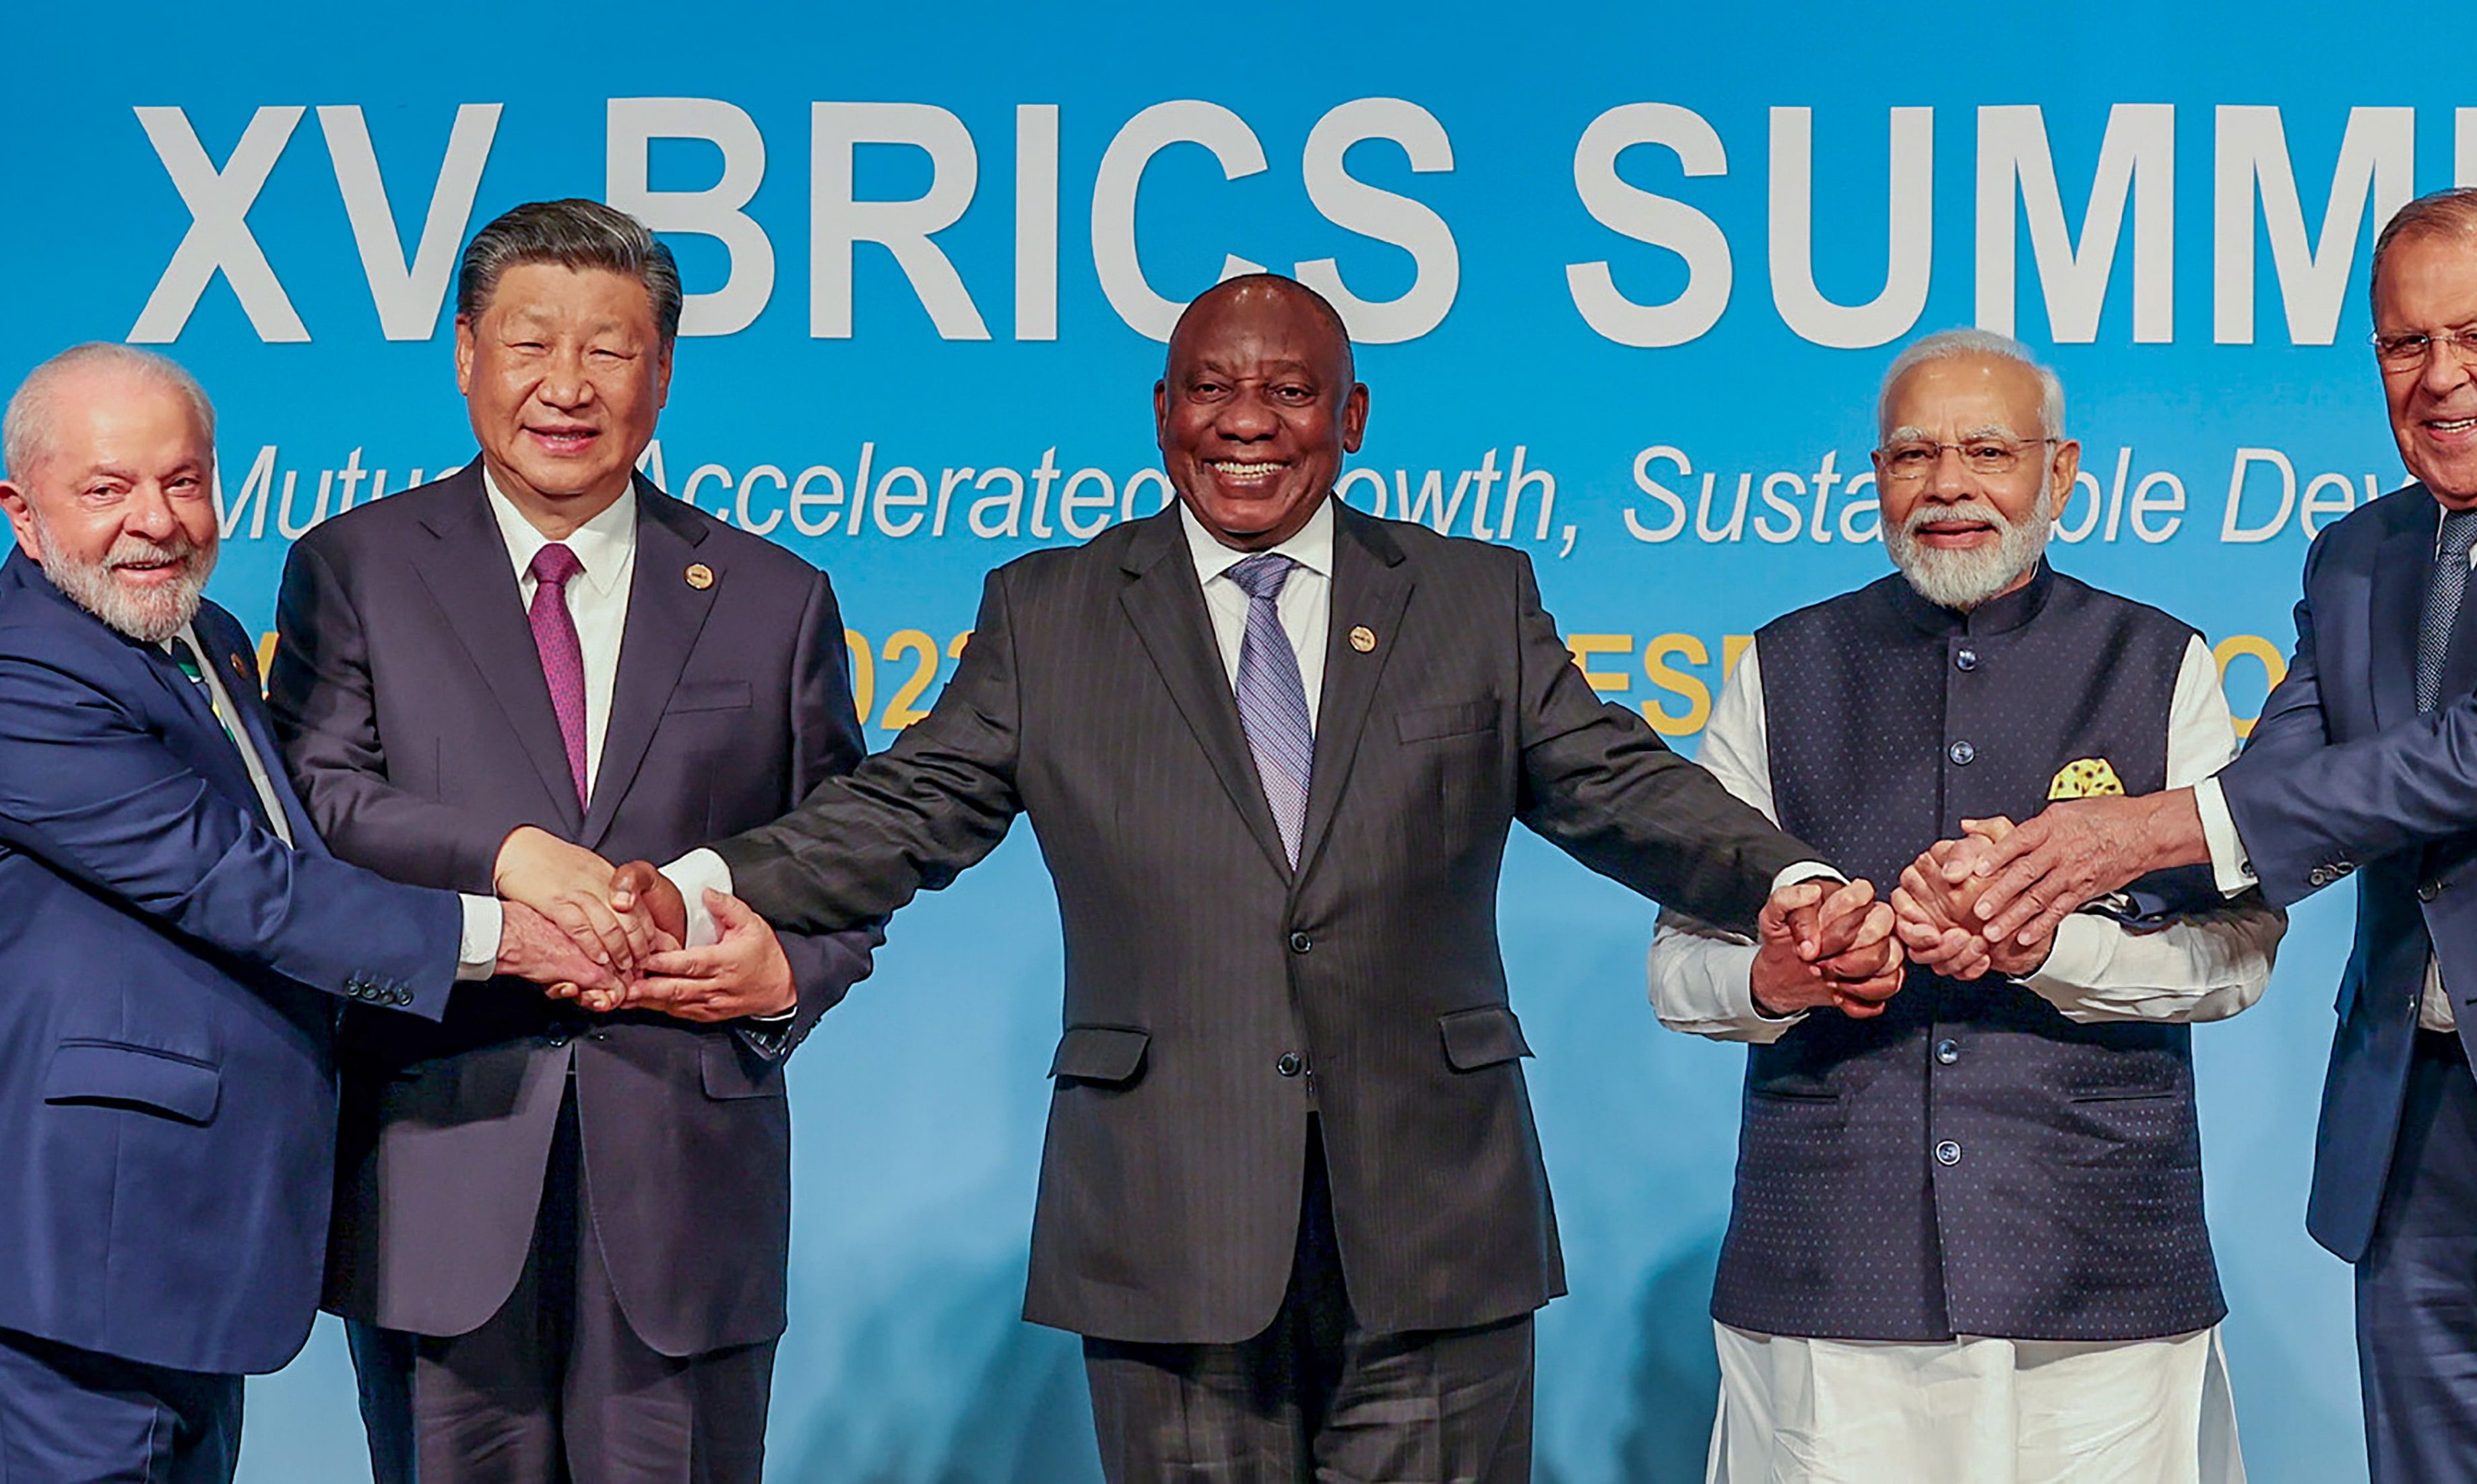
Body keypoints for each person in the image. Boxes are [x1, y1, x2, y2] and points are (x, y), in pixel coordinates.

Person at [612, 273, 1902, 1481]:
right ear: (1163, 412)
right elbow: (911, 807)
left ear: (1351, 418)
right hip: (1168, 1219)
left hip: (1435, 1223)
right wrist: (708, 882)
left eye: (1289, 393)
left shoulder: (1469, 598)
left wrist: (1787, 883)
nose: (1247, 423)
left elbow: (1619, 785)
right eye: (1212, 390)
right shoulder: (1049, 612)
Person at [1936, 189, 2477, 1482]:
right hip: (2411, 1132)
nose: (2442, 380)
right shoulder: (2358, 555)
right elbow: (2282, 780)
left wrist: (2128, 832)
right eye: (2403, 345)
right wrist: (2062, 883)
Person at [264, 201, 874, 1483]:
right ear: (467, 353)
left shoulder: (773, 598)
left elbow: (840, 852)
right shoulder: (357, 567)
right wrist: (506, 854)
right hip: (438, 1157)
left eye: (610, 349)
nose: (566, 386)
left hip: (687, 1180)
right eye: (532, 343)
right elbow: (315, 797)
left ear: (662, 372)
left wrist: (786, 982)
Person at [1648, 329, 2284, 1483]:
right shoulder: (1781, 669)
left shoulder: (2158, 663)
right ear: (1875, 478)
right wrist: (1774, 981)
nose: (1947, 487)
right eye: (1912, 456)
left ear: (2063, 472)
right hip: (1830, 1274)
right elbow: (1676, 968)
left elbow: (2237, 960)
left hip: (2097, 1275)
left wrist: (2047, 948)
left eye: (1988, 450)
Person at [0, 344, 604, 1482]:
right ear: (22, 515)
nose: (157, 520)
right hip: (78, 1248)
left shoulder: (206, 634)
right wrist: (504, 933)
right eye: (108, 488)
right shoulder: (20, 668)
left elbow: (297, 837)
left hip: (191, 1240)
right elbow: (232, 881)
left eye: (184, 480)